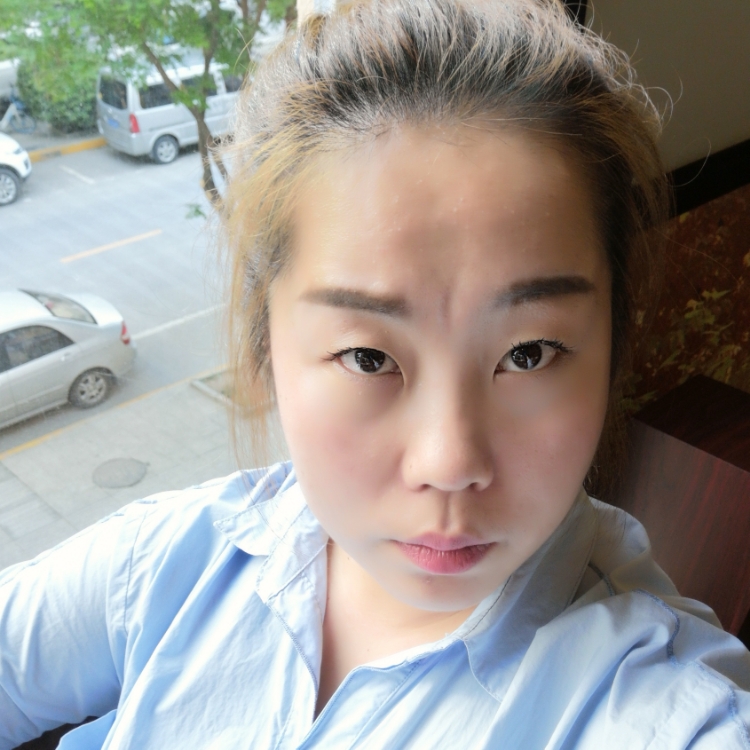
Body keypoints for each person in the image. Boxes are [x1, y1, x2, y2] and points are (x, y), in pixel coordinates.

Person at [2, 0, 749, 747]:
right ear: (269, 344)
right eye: (369, 358)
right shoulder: (174, 563)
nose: (449, 464)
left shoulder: (660, 708)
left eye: (528, 354)